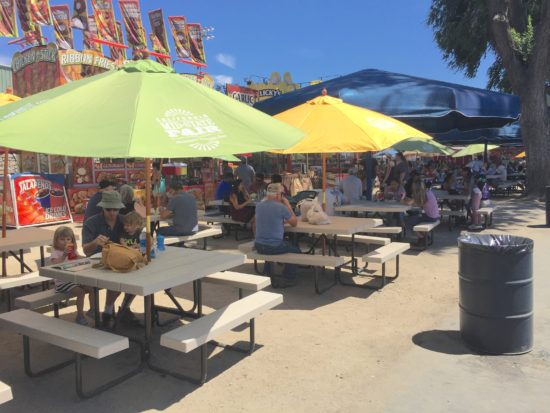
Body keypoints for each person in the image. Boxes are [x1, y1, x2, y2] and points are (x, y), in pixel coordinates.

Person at [81, 191, 127, 327]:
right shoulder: (91, 222)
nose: (112, 212)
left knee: (136, 276)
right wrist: (95, 242)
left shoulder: (125, 221)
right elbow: (86, 250)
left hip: (120, 261)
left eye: (116, 209)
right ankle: (109, 311)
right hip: (97, 263)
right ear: (102, 208)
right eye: (109, 209)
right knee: (117, 281)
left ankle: (122, 309)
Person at [254, 183, 300, 288]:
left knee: (273, 245)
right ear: (278, 195)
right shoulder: (280, 207)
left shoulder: (259, 205)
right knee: (296, 250)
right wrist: (288, 204)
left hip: (258, 245)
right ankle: (288, 278)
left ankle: (268, 272)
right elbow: (294, 223)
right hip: (273, 246)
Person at [49, 226, 94, 326]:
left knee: (92, 288)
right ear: (56, 240)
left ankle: (92, 310)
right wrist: (64, 255)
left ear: (72, 240)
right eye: (62, 239)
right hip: (62, 282)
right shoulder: (56, 252)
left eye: (68, 239)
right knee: (80, 292)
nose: (65, 242)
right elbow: (54, 265)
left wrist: (81, 258)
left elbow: (77, 260)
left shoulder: (72, 250)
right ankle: (80, 315)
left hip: (74, 279)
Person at [402, 179, 440, 245]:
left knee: (407, 221)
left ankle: (422, 238)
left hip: (430, 217)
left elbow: (410, 204)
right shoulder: (427, 192)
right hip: (435, 216)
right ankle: (424, 237)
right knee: (414, 217)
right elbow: (418, 204)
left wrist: (402, 200)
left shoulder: (422, 195)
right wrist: (410, 200)